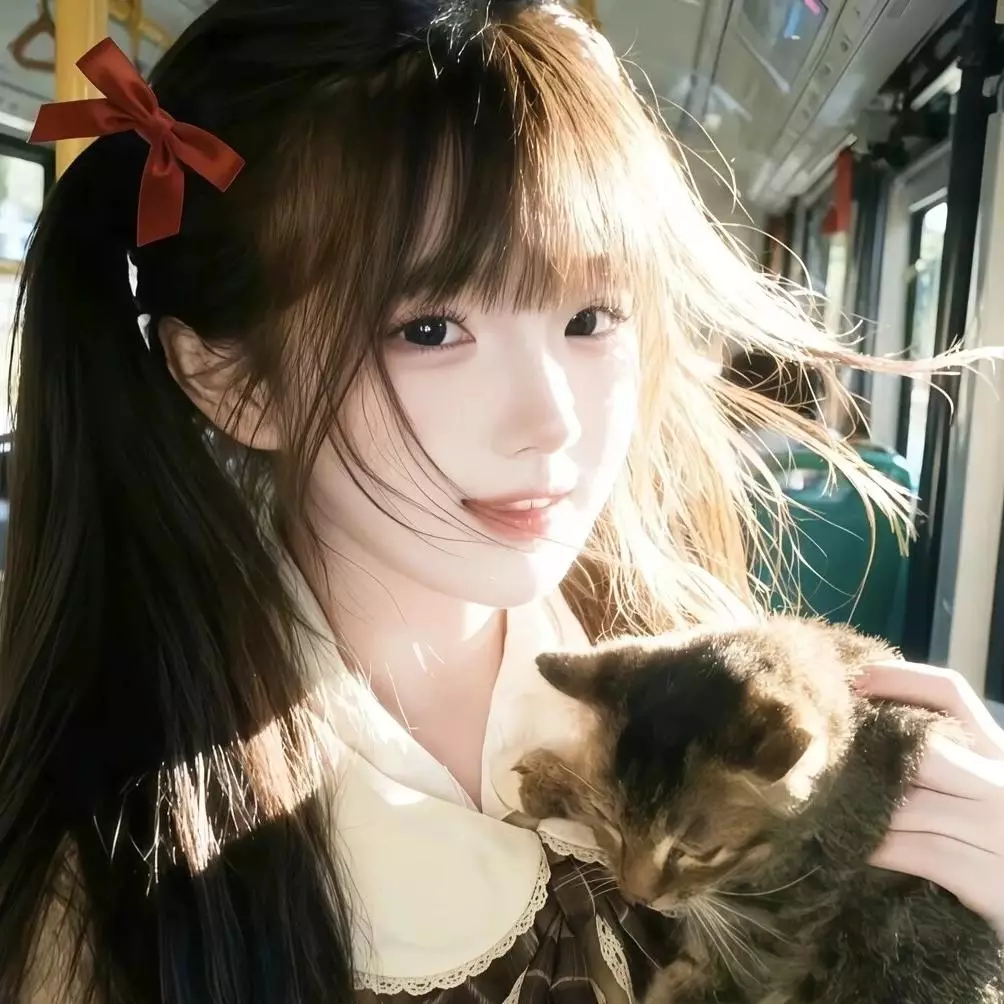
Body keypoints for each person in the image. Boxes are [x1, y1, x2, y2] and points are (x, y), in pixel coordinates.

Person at [1, 2, 1001, 1003]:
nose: (552, 420)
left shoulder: (714, 685)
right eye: (430, 329)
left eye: (591, 316)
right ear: (232, 381)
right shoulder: (105, 883)